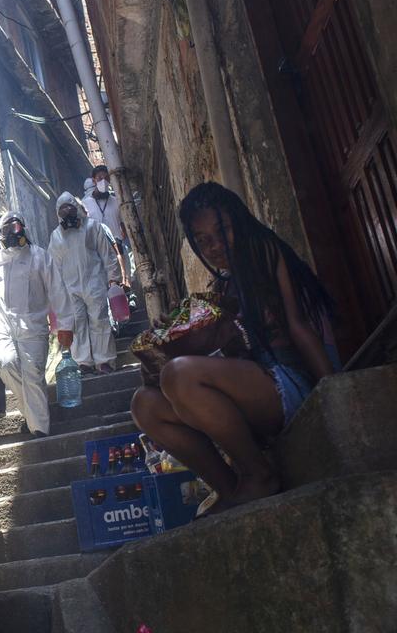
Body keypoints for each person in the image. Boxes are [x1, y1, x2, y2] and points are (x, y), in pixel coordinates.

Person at [131, 182, 337, 517]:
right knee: (145, 405)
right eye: (203, 240)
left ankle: (260, 474)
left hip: (290, 382)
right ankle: (229, 488)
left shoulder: (264, 250)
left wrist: (333, 391)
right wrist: (169, 340)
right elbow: (220, 354)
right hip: (257, 391)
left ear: (238, 220)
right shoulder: (225, 285)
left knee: (180, 375)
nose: (215, 245)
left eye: (222, 230)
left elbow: (299, 327)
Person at [0, 212, 74, 438]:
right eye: (8, 229)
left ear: (23, 229)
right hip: (1, 327)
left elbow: (58, 291)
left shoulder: (40, 257)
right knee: (4, 364)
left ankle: (39, 429)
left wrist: (66, 325)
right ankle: (35, 416)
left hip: (33, 326)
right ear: (1, 234)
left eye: (16, 227)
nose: (13, 233)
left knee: (33, 376)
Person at [48, 191, 121, 375]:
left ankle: (104, 361)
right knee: (77, 324)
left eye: (69, 207)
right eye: (62, 210)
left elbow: (107, 254)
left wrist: (113, 279)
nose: (67, 212)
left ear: (77, 208)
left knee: (100, 321)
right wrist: (56, 294)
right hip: (70, 289)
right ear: (58, 214)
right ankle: (83, 362)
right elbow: (54, 267)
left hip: (94, 282)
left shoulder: (92, 227)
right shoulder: (56, 236)